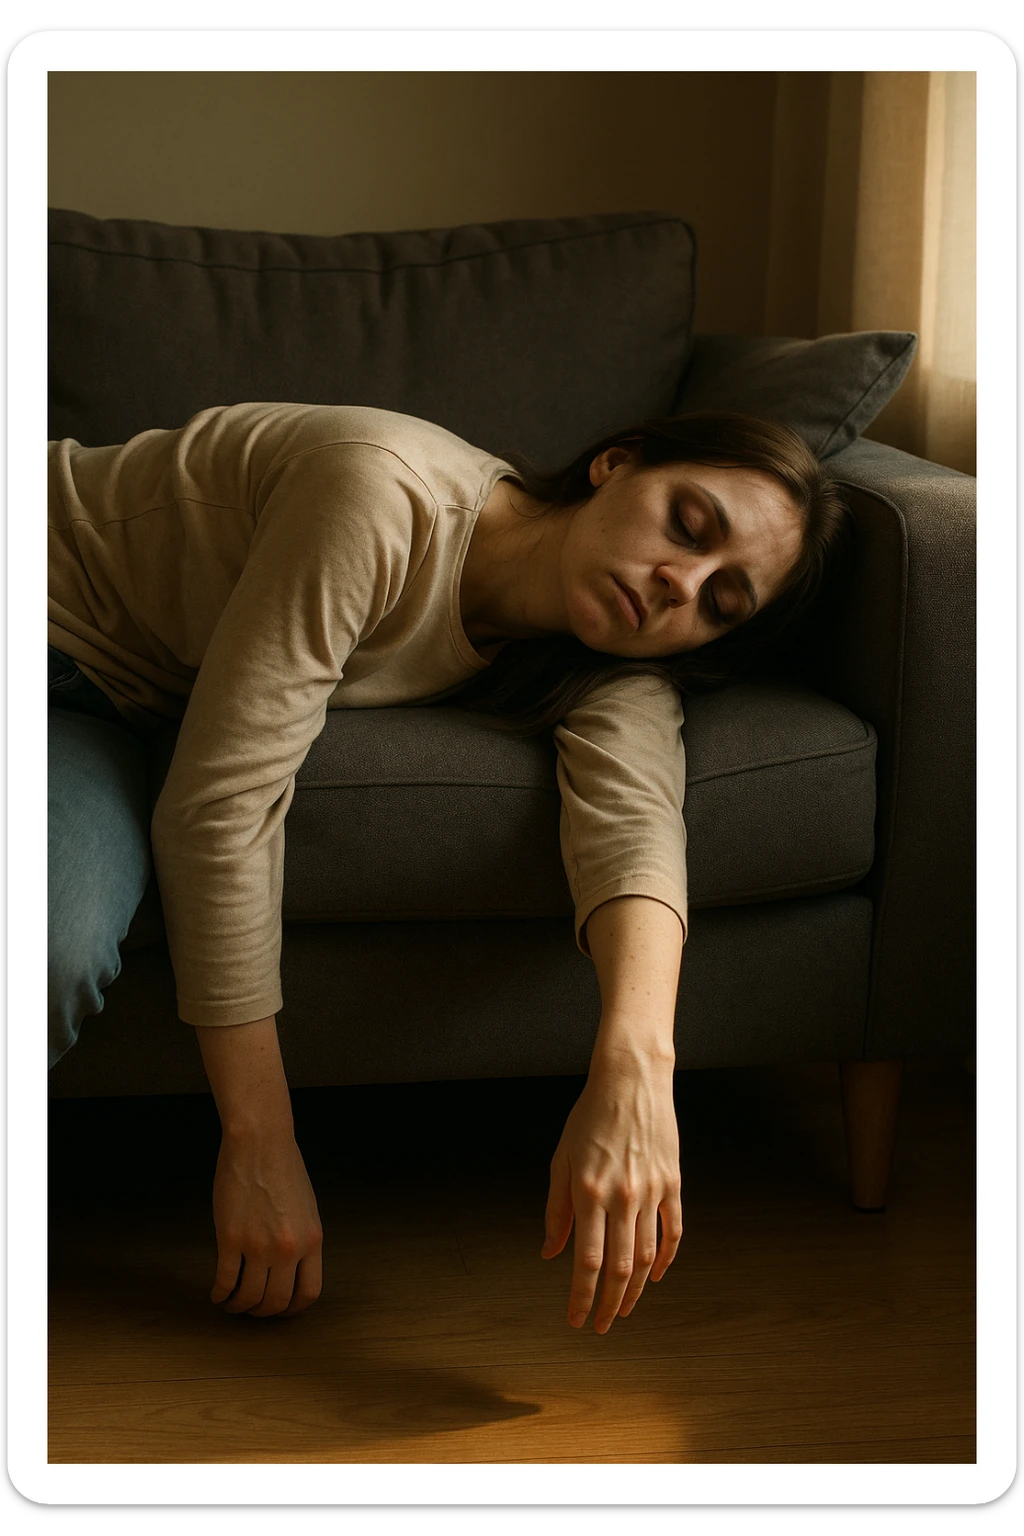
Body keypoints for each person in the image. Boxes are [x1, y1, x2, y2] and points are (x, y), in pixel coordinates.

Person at [47, 402, 849, 1334]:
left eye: (721, 604)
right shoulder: (383, 492)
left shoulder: (595, 657)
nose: (682, 584)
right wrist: (259, 1143)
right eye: (688, 523)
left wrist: (638, 1069)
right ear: (616, 463)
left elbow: (634, 826)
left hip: (116, 708)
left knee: (49, 950)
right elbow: (219, 806)